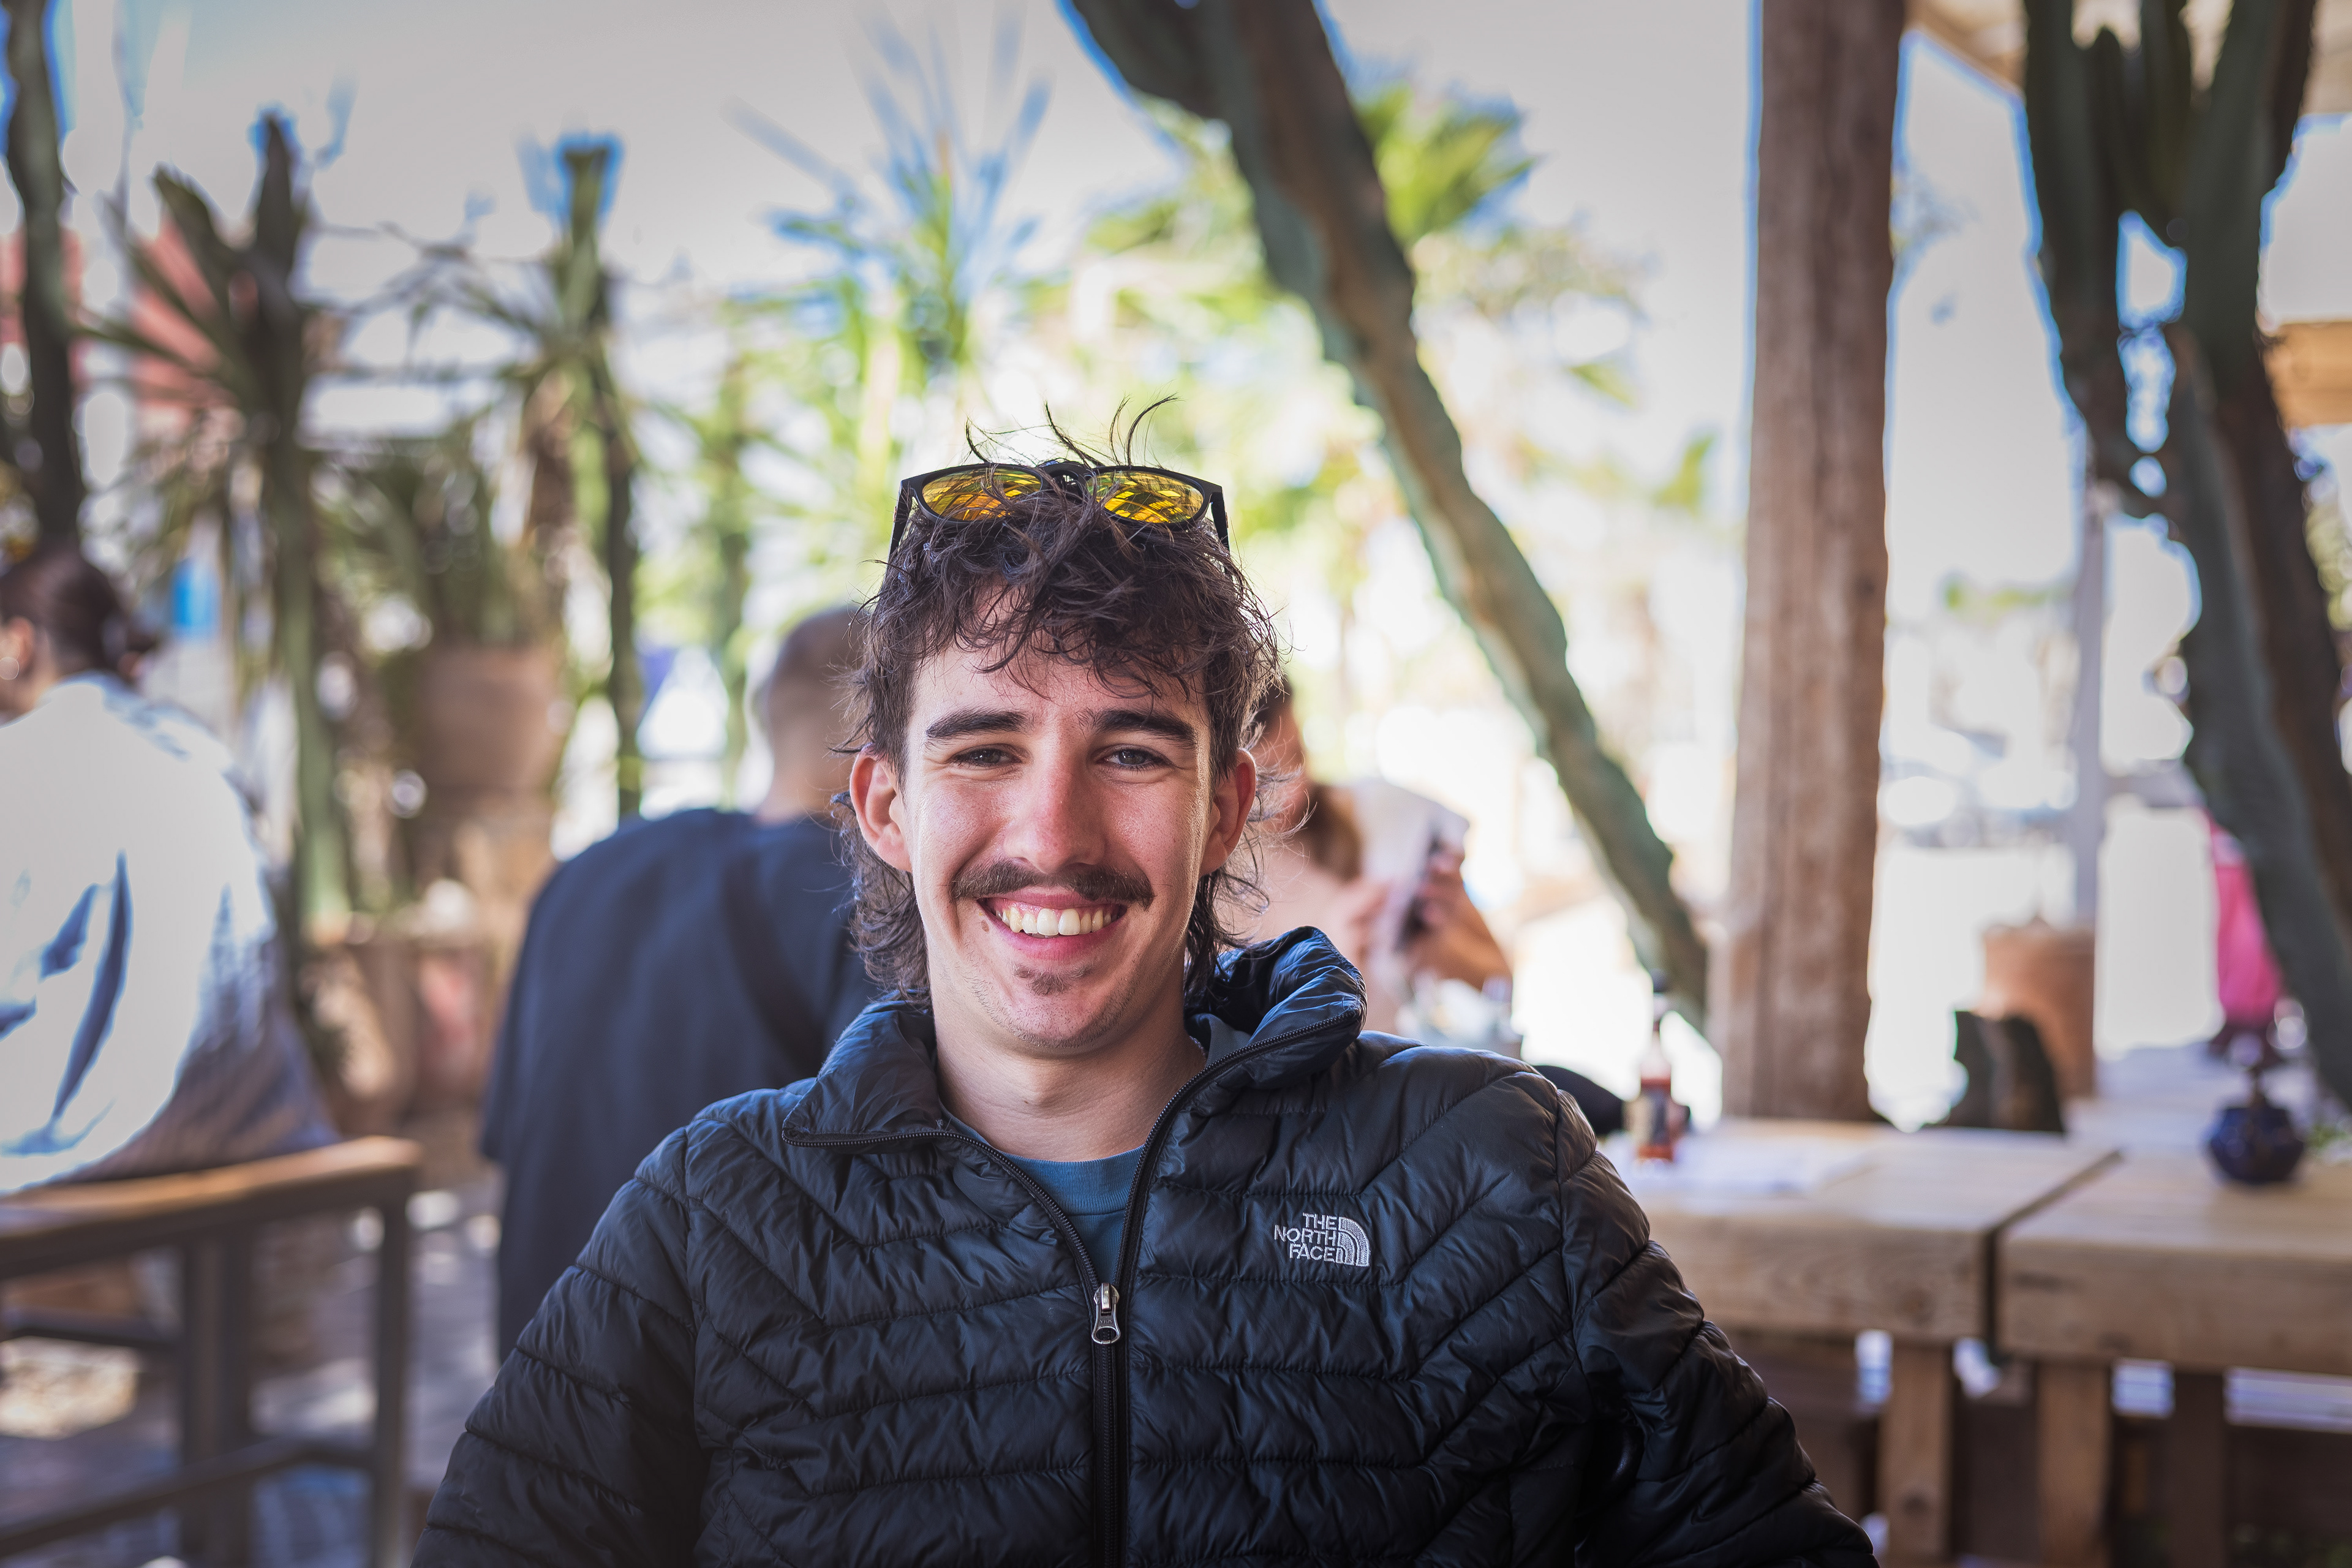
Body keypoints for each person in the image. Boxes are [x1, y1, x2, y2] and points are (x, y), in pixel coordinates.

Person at [420, 454, 1871, 1566]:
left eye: (1127, 751)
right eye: (983, 749)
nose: (1052, 832)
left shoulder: (1490, 1168)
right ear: (883, 805)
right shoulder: (713, 1213)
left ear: (1226, 806)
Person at [479, 606, 879, 1354]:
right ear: (887, 749)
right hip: (723, 1391)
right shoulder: (857, 902)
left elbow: (508, 1139)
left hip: (537, 1371)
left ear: (771, 715)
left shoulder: (585, 873)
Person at [0, 546, 332, 1193]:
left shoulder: (20, 760)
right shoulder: (198, 749)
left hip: (81, 1141)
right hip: (254, 1122)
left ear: (18, 643)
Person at [1248, 677, 1512, 1037]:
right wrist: (1328, 972)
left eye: (1297, 756)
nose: (1295, 791)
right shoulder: (1220, 903)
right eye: (1267, 781)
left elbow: (1502, 978)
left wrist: (1434, 945)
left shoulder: (1388, 813)